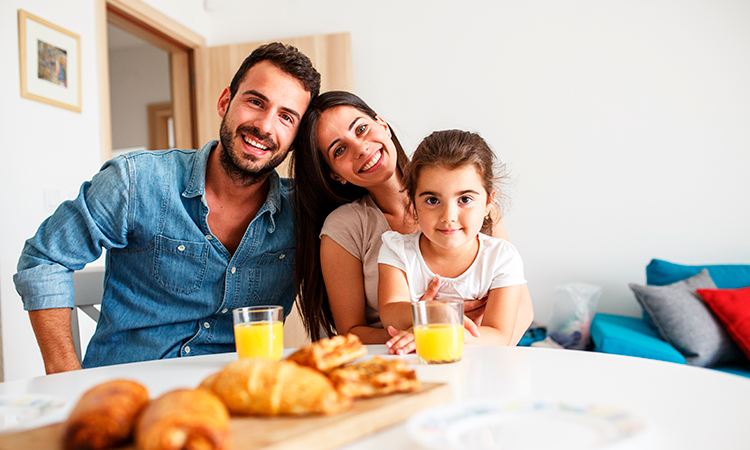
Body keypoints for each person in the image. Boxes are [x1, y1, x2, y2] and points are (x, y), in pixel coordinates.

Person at [13, 42, 321, 374]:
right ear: (225, 101)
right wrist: (65, 377)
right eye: (255, 101)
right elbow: (44, 259)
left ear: (296, 137)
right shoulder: (137, 181)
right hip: (128, 392)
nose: (265, 125)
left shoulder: (303, 213)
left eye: (286, 117)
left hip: (237, 397)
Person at [292, 92, 533, 353]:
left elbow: (521, 310)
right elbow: (351, 334)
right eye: (339, 150)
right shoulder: (349, 229)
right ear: (334, 174)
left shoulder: (476, 206)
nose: (361, 149)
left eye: (361, 129)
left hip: (476, 354)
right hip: (395, 359)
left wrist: (462, 343)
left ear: (382, 125)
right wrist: (427, 327)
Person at [378, 130, 526, 345]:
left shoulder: (502, 258)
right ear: (413, 202)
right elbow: (390, 313)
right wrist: (440, 315)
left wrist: (436, 332)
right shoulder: (397, 249)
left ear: (488, 203)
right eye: (432, 200)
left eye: (464, 199)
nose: (448, 217)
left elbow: (499, 335)